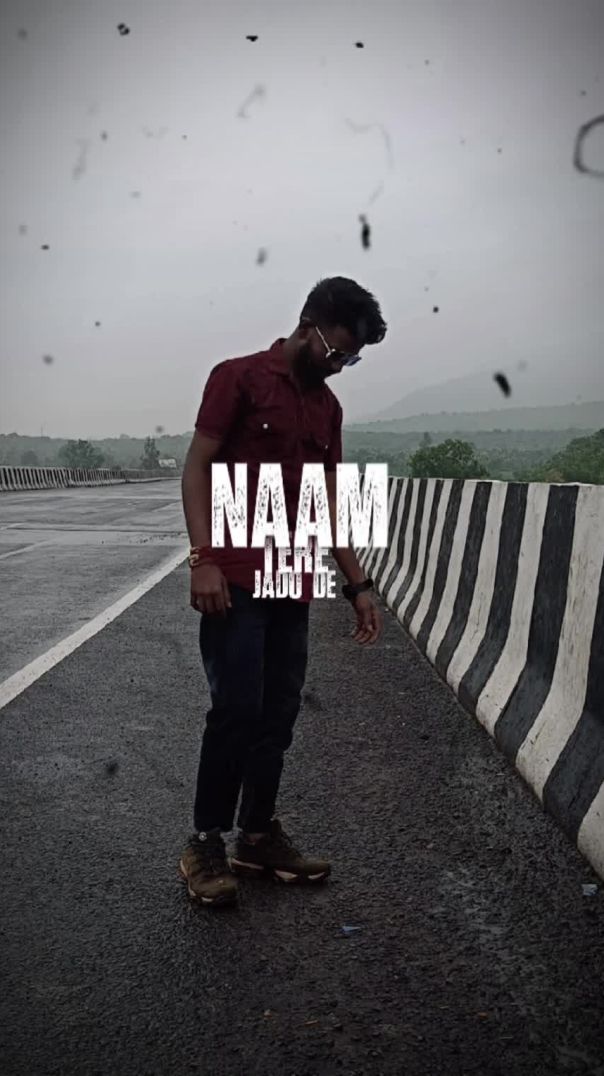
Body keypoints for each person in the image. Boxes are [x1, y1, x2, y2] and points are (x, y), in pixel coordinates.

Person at [179, 276, 387, 906]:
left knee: (278, 715)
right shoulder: (237, 378)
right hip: (235, 581)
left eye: (351, 359)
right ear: (307, 325)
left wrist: (358, 583)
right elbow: (197, 466)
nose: (340, 366)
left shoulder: (328, 408)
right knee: (236, 711)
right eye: (337, 351)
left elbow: (328, 501)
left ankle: (257, 836)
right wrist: (202, 559)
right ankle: (204, 843)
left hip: (291, 581)